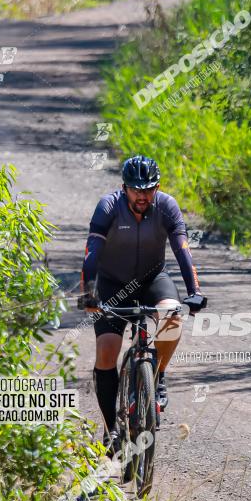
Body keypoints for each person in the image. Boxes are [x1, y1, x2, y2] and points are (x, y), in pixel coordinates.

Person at [78, 154, 206, 454]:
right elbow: (92, 251)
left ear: (157, 187)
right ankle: (111, 431)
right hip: (112, 283)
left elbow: (182, 249)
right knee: (107, 350)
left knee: (171, 316)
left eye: (148, 189)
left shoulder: (167, 206)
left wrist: (194, 290)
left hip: (152, 279)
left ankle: (157, 376)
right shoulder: (108, 206)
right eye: (136, 190)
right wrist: (90, 293)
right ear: (124, 188)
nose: (142, 196)